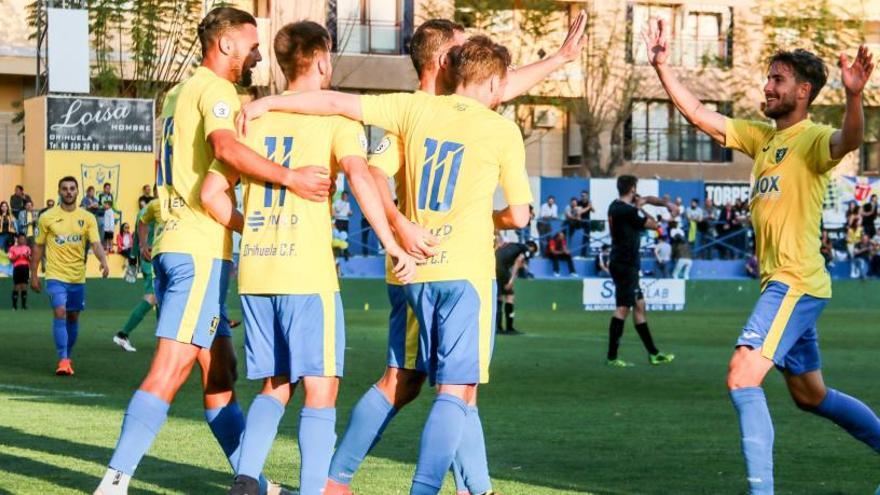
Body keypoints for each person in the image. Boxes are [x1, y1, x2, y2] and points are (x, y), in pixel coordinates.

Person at [241, 14, 585, 495]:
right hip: (420, 258)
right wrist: (401, 225)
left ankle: (472, 487)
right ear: (446, 60)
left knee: (450, 385)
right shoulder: (408, 114)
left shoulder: (426, 109)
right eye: (461, 50)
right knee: (410, 381)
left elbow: (499, 84)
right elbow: (376, 176)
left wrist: (560, 59)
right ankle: (336, 481)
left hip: (421, 262)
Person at [95, 8, 330, 495]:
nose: (257, 54)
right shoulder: (217, 91)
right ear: (225, 45)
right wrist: (289, 178)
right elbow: (225, 148)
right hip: (198, 247)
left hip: (179, 245)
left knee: (221, 372)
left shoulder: (178, 92)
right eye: (250, 44)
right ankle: (113, 484)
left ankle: (254, 483)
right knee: (169, 369)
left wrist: (252, 227)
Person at [646, 18, 880, 492]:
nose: (768, 86)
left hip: (794, 281)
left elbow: (849, 141)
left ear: (803, 91)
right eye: (768, 78)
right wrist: (663, 67)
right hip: (788, 283)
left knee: (741, 377)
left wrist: (855, 96)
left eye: (778, 79)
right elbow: (698, 114)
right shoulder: (763, 138)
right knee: (810, 395)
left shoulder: (812, 138)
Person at [200, 21, 415, 495]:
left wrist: (250, 226)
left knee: (275, 384)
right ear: (321, 59)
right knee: (322, 389)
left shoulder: (251, 120)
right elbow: (361, 179)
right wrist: (391, 239)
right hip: (306, 274)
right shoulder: (336, 121)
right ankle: (316, 489)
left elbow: (212, 192)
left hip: (256, 271)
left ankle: (246, 478)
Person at [31, 176, 110, 375]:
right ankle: (63, 359)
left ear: (77, 192)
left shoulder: (88, 218)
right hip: (55, 275)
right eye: (65, 188)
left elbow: (96, 244)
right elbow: (39, 246)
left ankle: (68, 355)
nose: (68, 192)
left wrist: (104, 261)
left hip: (77, 277)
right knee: (60, 312)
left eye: (72, 188)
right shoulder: (47, 217)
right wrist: (34, 273)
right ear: (59, 191)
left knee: (73, 317)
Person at [604, 175, 676, 368]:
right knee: (623, 308)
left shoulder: (615, 206)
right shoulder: (627, 211)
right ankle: (612, 357)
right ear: (632, 188)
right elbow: (653, 225)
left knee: (639, 305)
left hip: (626, 263)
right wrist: (645, 208)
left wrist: (663, 204)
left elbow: (649, 200)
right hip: (624, 263)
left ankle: (653, 353)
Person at [114, 198, 162, 353]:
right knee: (153, 297)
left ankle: (164, 340)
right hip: (152, 258)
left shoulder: (145, 210)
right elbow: (141, 235)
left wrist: (133, 258)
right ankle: (123, 334)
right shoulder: (157, 208)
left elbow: (136, 238)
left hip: (155, 258)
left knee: (161, 299)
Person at [494, 241, 538, 335]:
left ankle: (498, 327)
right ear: (531, 247)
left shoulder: (513, 245)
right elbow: (518, 262)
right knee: (510, 297)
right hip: (502, 268)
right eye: (533, 251)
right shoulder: (526, 249)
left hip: (494, 265)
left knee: (500, 297)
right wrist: (511, 280)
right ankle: (509, 328)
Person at [9, 233, 31, 309]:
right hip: (17, 268)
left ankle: (24, 305)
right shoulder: (12, 248)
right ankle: (14, 306)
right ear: (17, 239)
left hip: (25, 267)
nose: (22, 240)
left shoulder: (27, 248)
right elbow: (11, 260)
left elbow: (30, 259)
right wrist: (17, 257)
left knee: (24, 286)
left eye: (23, 239)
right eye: (21, 239)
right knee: (16, 286)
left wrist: (27, 257)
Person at [576, 190, 593, 256]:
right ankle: (583, 253)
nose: (583, 197)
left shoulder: (589, 202)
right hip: (579, 221)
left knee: (586, 237)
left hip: (587, 221)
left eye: (584, 196)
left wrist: (590, 206)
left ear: (587, 196)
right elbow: (580, 212)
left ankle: (584, 253)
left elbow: (594, 210)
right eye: (582, 196)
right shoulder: (579, 202)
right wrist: (588, 207)